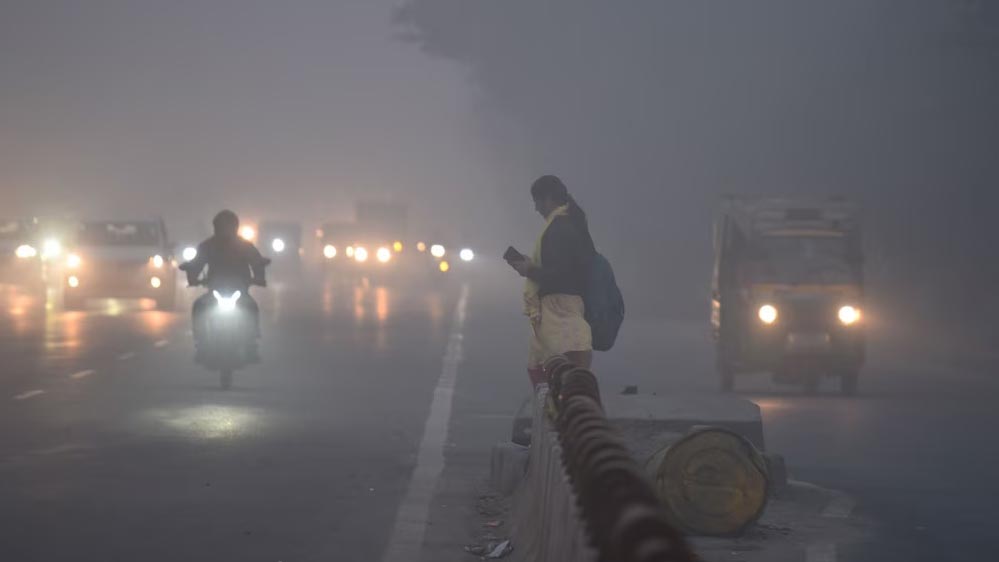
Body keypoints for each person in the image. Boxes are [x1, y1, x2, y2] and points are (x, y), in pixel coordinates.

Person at [509, 175, 596, 387]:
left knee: (558, 378)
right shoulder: (566, 225)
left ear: (548, 199)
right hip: (561, 312)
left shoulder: (560, 229)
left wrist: (531, 270)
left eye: (537, 202)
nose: (536, 209)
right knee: (549, 374)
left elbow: (562, 275)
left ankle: (564, 416)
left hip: (561, 311)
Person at [179, 210, 268, 360]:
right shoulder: (207, 246)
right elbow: (196, 264)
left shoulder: (245, 246)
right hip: (214, 289)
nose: (225, 231)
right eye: (222, 227)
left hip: (239, 290)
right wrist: (192, 276)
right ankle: (200, 341)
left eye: (228, 226)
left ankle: (251, 343)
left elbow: (257, 262)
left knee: (251, 306)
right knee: (199, 306)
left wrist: (259, 277)